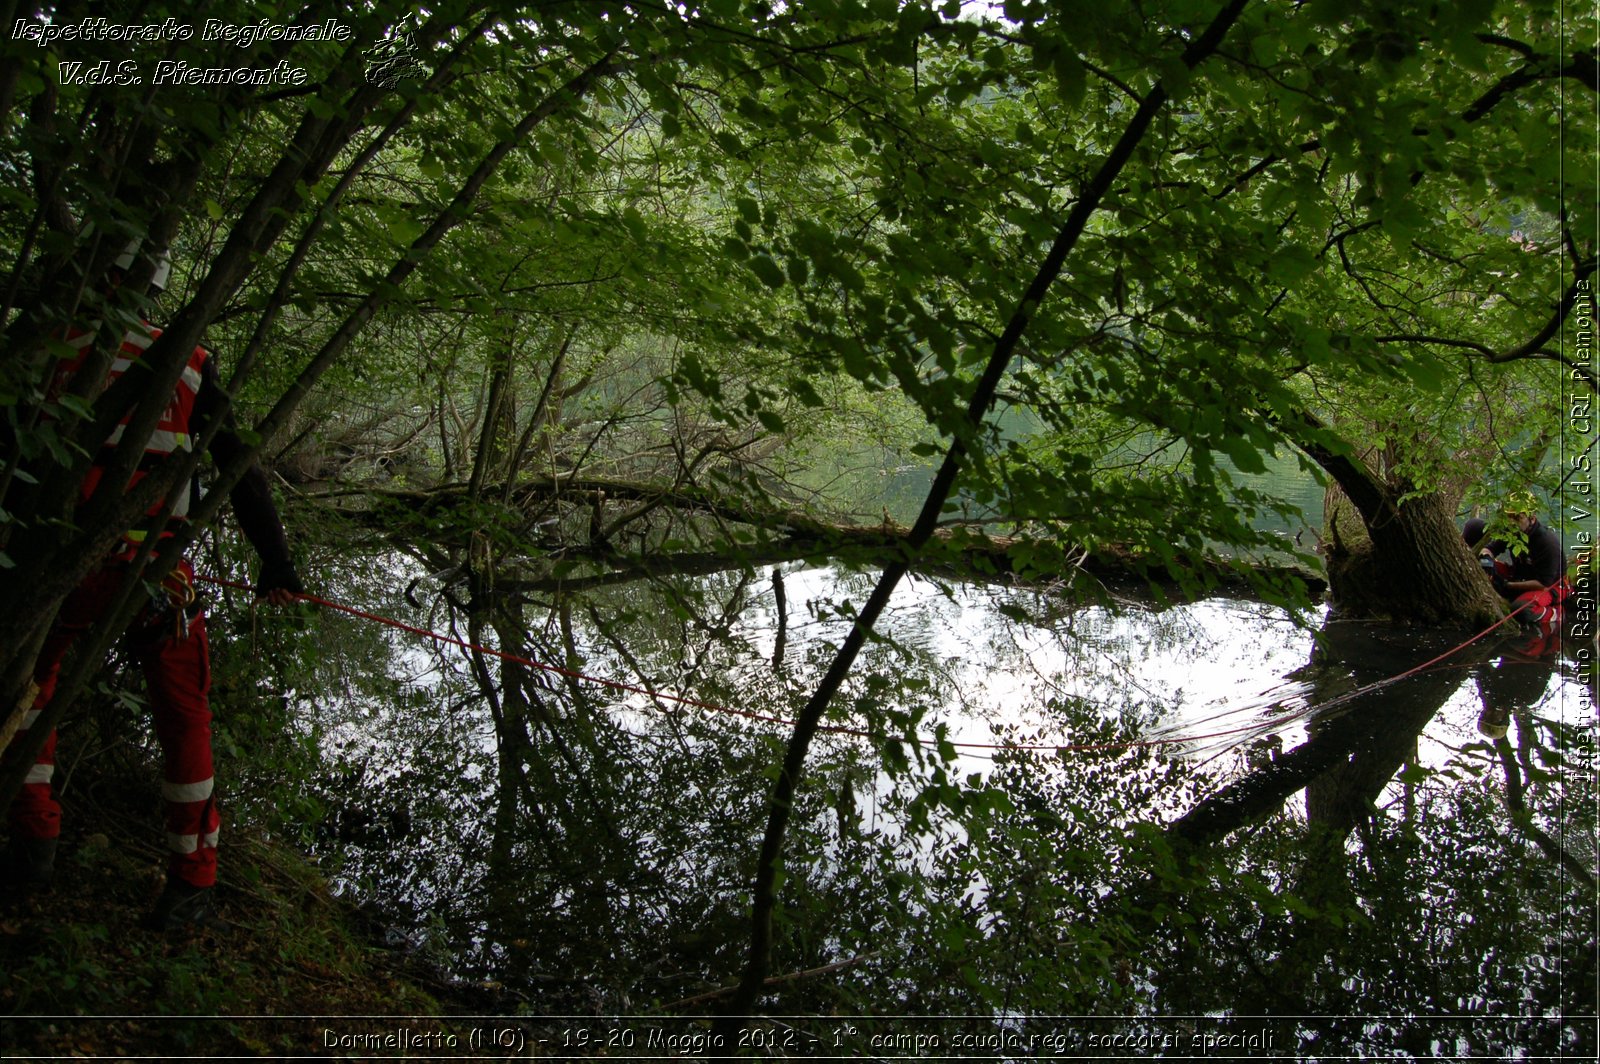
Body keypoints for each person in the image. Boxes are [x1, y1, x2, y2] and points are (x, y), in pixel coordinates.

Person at [1, 243, 302, 930]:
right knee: (182, 717)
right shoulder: (187, 361)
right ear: (156, 290)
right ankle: (192, 882)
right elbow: (241, 470)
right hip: (155, 579)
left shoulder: (45, 350)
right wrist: (276, 564)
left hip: (54, 571)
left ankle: (34, 841)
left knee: (27, 688)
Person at [1465, 492, 1569, 630]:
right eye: (1509, 517)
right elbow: (1489, 549)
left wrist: (1508, 585)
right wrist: (1487, 562)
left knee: (1522, 610)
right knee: (1475, 564)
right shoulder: (1511, 533)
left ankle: (1557, 613)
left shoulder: (1547, 543)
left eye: (1517, 518)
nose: (1511, 522)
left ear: (1531, 518)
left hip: (1550, 587)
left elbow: (1543, 584)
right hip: (1519, 577)